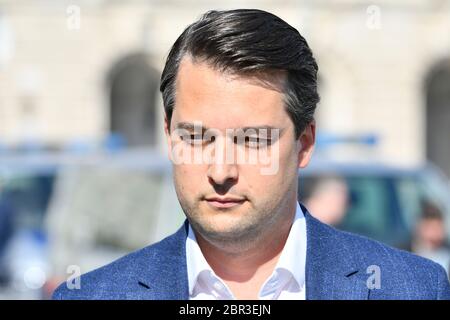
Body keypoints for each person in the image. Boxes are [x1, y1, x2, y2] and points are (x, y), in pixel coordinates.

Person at [53, 9, 450, 300]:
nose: (221, 170)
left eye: (252, 140)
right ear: (169, 136)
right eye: (195, 137)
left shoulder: (413, 289)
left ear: (304, 144)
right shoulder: (92, 295)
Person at [412, 201, 450, 277]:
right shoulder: (404, 251)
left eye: (438, 229)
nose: (435, 235)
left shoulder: (446, 255)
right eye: (431, 229)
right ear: (420, 228)